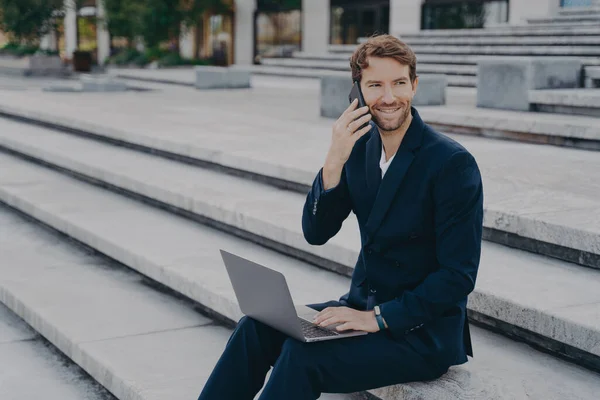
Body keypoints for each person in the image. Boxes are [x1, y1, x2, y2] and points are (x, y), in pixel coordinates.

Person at [198, 34, 484, 400]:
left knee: (301, 357)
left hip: (420, 331)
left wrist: (377, 318)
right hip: (359, 307)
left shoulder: (451, 163)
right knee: (254, 326)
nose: (389, 97)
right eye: (375, 85)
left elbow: (458, 276)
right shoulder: (358, 149)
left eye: (399, 83)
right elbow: (315, 233)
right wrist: (333, 160)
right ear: (358, 93)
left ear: (414, 85)